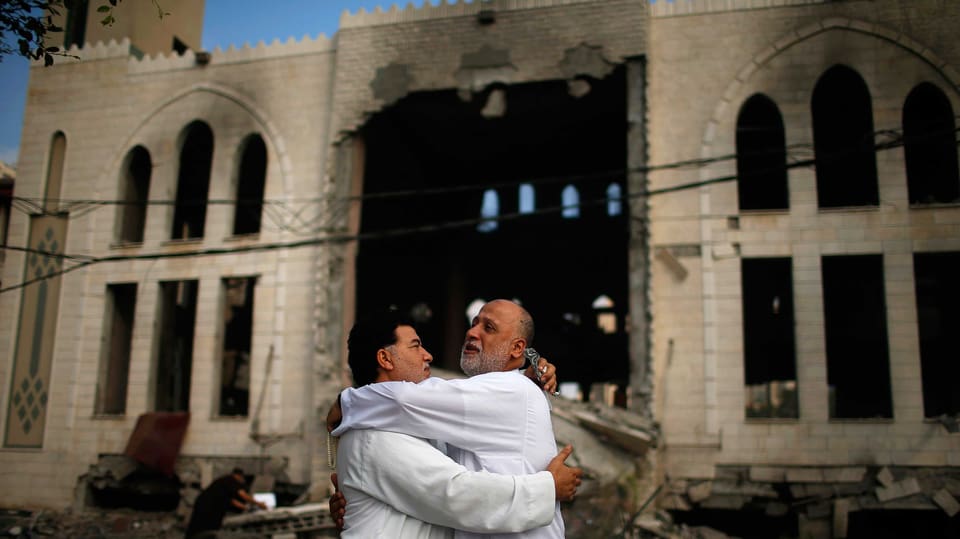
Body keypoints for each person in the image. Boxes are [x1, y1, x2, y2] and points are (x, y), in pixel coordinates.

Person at [330, 299, 573, 538]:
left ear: (518, 348)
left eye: (488, 327)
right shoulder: (374, 433)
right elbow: (453, 494)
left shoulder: (512, 389)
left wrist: (347, 403)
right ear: (385, 359)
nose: (428, 356)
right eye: (415, 346)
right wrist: (546, 489)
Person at [184, 467, 266, 539]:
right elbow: (243, 495)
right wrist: (259, 504)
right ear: (239, 476)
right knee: (203, 527)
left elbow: (232, 501)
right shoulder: (231, 480)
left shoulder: (225, 483)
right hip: (208, 506)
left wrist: (247, 508)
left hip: (207, 505)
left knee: (204, 527)